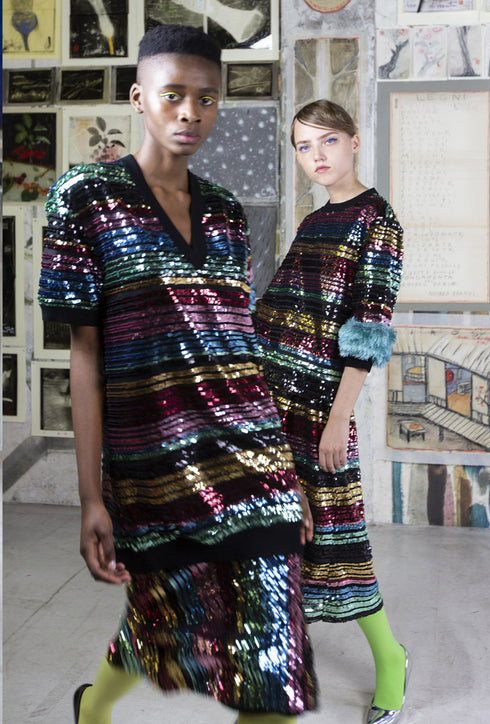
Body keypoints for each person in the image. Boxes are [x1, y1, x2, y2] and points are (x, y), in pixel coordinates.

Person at [38, 25, 317, 724]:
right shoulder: (84, 198)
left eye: (207, 98)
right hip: (153, 470)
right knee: (163, 616)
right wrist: (91, 497)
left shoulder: (226, 211)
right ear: (140, 98)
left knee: (274, 667)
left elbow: (239, 346)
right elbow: (84, 355)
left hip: (250, 456)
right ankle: (93, 711)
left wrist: (286, 472)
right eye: (174, 95)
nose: (192, 112)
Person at [255, 100, 407, 724]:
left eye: (328, 141)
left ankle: (391, 661)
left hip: (320, 406)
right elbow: (286, 302)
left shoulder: (378, 220)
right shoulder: (316, 219)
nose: (315, 155)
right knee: (280, 537)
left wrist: (339, 417)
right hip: (275, 399)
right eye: (303, 145)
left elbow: (369, 330)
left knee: (337, 538)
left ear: (354, 141)